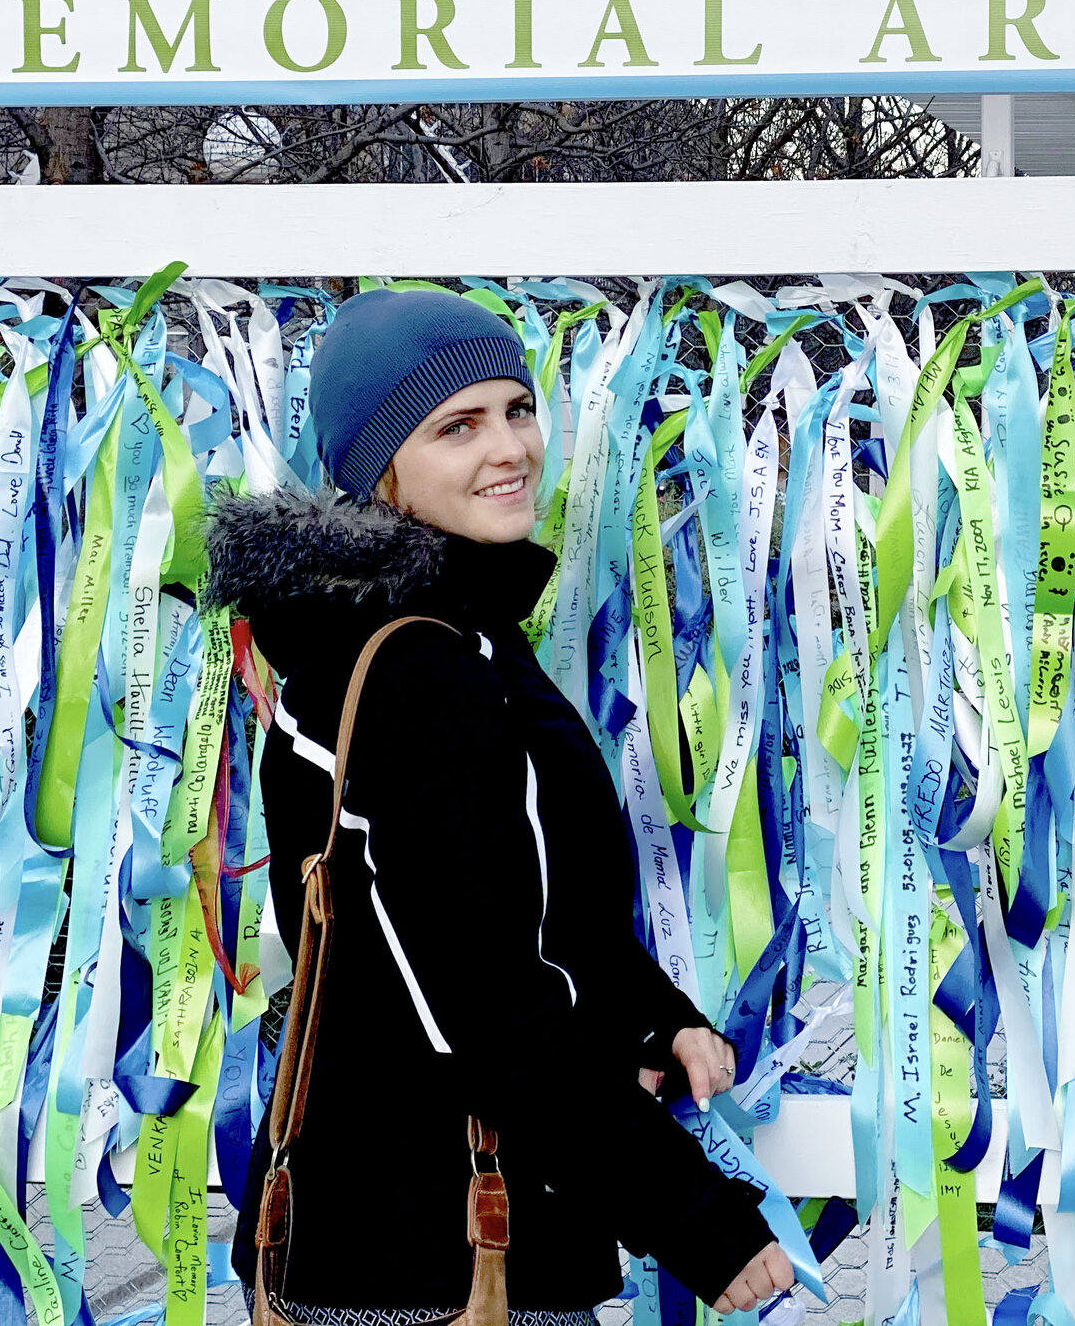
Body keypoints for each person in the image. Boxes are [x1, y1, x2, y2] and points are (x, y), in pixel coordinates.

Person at [209, 288, 795, 1325]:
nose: (509, 447)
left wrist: (652, 1019)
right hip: (424, 1255)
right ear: (379, 470)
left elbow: (530, 915)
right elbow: (484, 1003)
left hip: (429, 1236)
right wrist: (693, 1214)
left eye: (516, 409)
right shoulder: (414, 671)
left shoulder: (455, 640)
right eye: (457, 426)